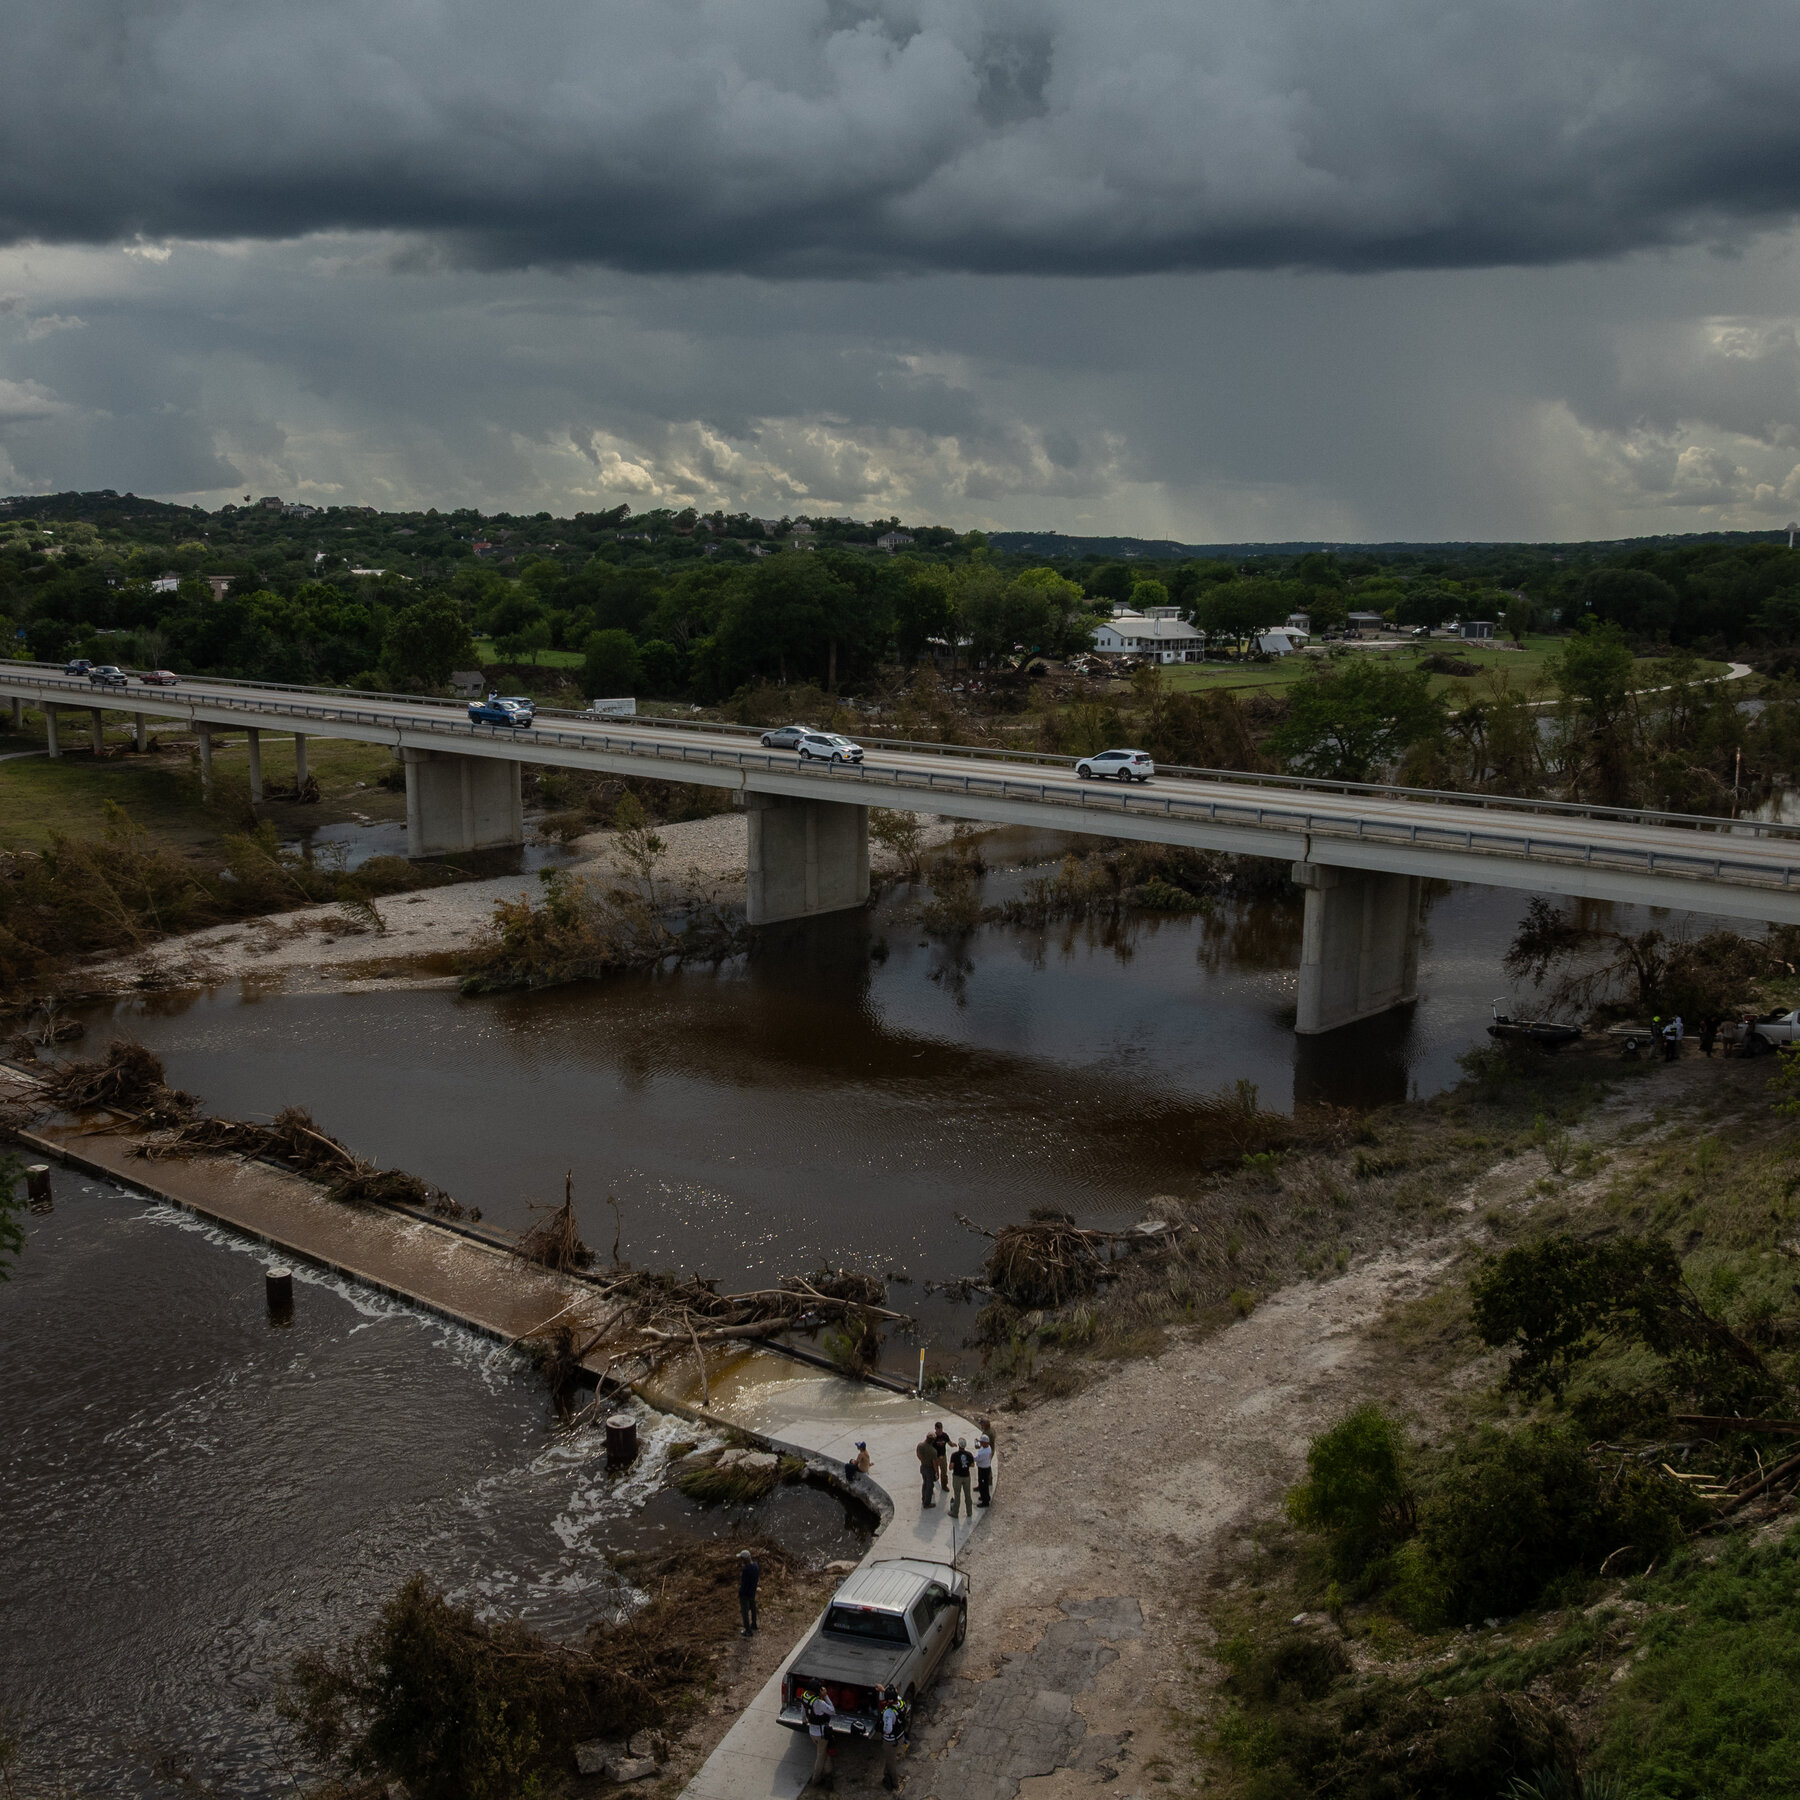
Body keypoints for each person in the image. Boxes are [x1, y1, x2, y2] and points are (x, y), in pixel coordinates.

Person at [804, 1683, 836, 1787]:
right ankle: (816, 1779)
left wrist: (804, 1721)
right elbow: (832, 1711)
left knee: (823, 1753)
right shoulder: (818, 1703)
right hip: (821, 1734)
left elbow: (803, 1713)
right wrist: (826, 1696)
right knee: (820, 1756)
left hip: (812, 1732)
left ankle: (828, 1773)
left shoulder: (805, 1697)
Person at [879, 1683, 908, 1791]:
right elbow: (896, 1695)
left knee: (891, 1762)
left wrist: (882, 1730)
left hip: (890, 1741)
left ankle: (895, 1784)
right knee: (889, 1757)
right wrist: (883, 1690)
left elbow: (887, 1730)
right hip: (900, 1736)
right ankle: (886, 1774)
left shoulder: (888, 1713)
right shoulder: (901, 1702)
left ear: (888, 1700)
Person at [948, 1437, 975, 1517]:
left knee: (957, 1495)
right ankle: (969, 1512)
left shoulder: (954, 1455)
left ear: (958, 1446)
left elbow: (951, 1467)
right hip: (966, 1476)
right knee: (968, 1495)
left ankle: (955, 1513)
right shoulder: (969, 1454)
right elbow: (973, 1465)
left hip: (957, 1477)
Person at [737, 1548, 759, 1636]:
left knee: (745, 1612)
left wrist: (740, 1592)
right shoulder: (756, 1566)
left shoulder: (746, 1570)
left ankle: (748, 1631)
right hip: (752, 1592)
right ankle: (754, 1624)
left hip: (745, 1594)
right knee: (753, 1608)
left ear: (744, 1559)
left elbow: (744, 1584)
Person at [916, 1434, 938, 1508]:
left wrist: (922, 1460)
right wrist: (936, 1472)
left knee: (924, 1483)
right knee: (929, 1486)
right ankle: (927, 1503)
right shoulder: (933, 1451)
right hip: (929, 1469)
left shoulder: (920, 1446)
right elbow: (935, 1464)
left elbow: (917, 1454)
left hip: (923, 1467)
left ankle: (923, 1498)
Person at [929, 1421, 951, 1492]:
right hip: (935, 1457)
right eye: (938, 1430)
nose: (940, 1431)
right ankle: (931, 1487)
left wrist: (953, 1444)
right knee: (934, 1473)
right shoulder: (933, 1437)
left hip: (943, 1457)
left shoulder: (945, 1435)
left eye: (941, 1429)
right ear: (935, 1429)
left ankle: (944, 1485)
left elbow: (949, 1442)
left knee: (944, 1472)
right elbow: (929, 1447)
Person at [975, 1433, 993, 1507]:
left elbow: (976, 1459)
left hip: (983, 1470)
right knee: (984, 1485)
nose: (980, 1443)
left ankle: (985, 1502)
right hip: (985, 1468)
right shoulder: (988, 1448)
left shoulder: (984, 1452)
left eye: (982, 1442)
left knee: (983, 1485)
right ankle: (985, 1497)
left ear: (985, 1443)